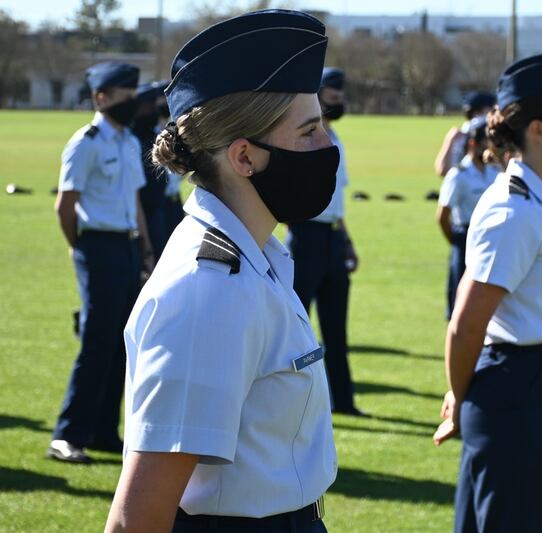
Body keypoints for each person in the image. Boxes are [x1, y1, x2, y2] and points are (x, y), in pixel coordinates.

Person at [105, 10, 337, 532]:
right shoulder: (210, 291)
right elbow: (137, 518)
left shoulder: (257, 257)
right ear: (244, 157)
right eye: (310, 132)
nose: (329, 148)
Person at [433, 52, 542, 533]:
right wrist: (460, 397)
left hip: (537, 384)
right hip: (517, 387)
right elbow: (466, 324)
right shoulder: (513, 211)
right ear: (539, 130)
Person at [49, 62, 154, 464]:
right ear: (101, 98)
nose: (132, 104)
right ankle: (67, 435)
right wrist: (81, 247)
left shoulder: (128, 141)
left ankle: (104, 431)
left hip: (127, 247)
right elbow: (66, 204)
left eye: (133, 96)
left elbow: (136, 205)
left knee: (122, 344)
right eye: (124, 97)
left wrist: (145, 249)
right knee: (96, 342)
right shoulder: (85, 141)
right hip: (97, 247)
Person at [285, 66, 364, 417]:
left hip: (332, 237)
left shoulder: (337, 140)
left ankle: (343, 402)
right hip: (306, 235)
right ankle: (296, 400)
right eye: (334, 93)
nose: (340, 99)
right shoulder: (301, 138)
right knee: (299, 329)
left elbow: (337, 200)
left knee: (336, 326)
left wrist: (346, 240)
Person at [436, 115, 500, 318]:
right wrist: (456, 241)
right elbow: (443, 216)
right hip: (465, 236)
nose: (488, 148)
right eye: (484, 143)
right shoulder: (458, 175)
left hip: (491, 237)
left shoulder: (495, 171)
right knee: (460, 302)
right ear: (472, 143)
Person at [131, 80, 171, 260]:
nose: (153, 111)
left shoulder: (152, 135)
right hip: (141, 213)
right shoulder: (131, 140)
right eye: (149, 107)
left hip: (159, 210)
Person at [434, 91, 496, 178]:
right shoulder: (464, 135)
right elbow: (443, 170)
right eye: (491, 109)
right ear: (477, 112)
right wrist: (449, 141)